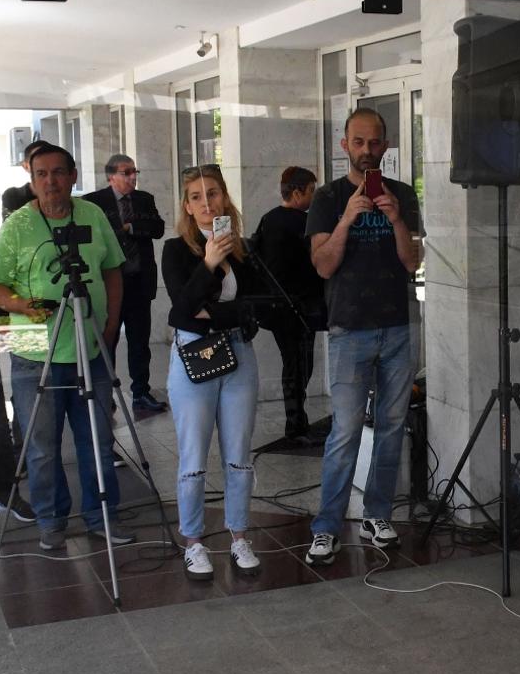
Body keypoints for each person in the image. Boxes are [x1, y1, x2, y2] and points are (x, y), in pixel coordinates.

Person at [0, 143, 130, 551]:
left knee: (97, 438)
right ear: (31, 180)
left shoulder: (93, 215)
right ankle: (51, 521)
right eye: (42, 174)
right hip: (34, 352)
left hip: (91, 347)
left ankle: (102, 515)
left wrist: (112, 323)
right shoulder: (17, 225)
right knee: (43, 448)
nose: (51, 181)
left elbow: (112, 270)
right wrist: (18, 304)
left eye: (59, 173)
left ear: (74, 176)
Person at [304, 108, 423, 564]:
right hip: (348, 328)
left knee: (392, 428)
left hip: (396, 326)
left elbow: (412, 263)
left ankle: (378, 514)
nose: (367, 151)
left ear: (386, 146)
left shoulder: (404, 195)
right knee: (345, 431)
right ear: (344, 146)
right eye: (359, 142)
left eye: (375, 143)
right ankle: (327, 526)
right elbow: (323, 265)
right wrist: (347, 219)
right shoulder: (328, 198)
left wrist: (394, 220)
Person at [162, 164, 262, 577]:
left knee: (239, 453)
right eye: (198, 197)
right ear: (187, 207)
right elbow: (180, 311)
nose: (208, 203)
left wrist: (213, 313)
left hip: (239, 352)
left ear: (226, 199)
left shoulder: (244, 247)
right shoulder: (175, 249)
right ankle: (194, 541)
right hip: (194, 355)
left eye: (214, 194)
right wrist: (207, 264)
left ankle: (239, 535)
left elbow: (255, 307)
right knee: (194, 452)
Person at [83, 153, 168, 415]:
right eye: (126, 172)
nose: (132, 177)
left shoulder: (144, 199)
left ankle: (141, 393)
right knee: (107, 340)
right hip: (109, 285)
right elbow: (96, 234)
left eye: (134, 172)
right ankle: (104, 393)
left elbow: (157, 228)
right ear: (111, 176)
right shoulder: (94, 202)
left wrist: (130, 227)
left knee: (139, 342)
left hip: (139, 282)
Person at [251, 165, 324, 440]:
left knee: (293, 363)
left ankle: (297, 421)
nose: (314, 197)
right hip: (298, 308)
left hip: (277, 307)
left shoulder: (268, 219)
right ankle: (296, 425)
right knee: (299, 366)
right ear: (296, 192)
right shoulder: (302, 223)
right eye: (311, 191)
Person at [0, 138, 50, 220]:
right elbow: (10, 228)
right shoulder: (13, 196)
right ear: (26, 166)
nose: (43, 164)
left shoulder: (60, 193)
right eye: (37, 160)